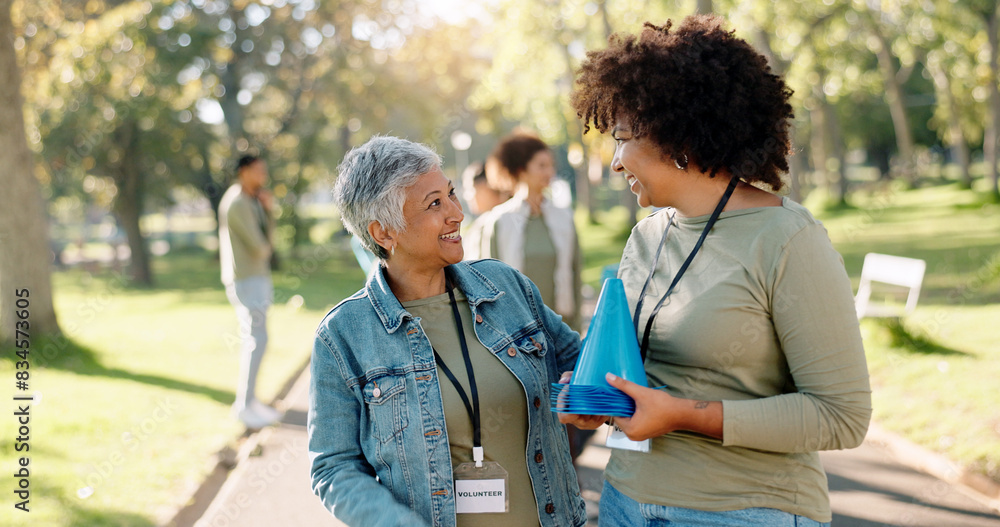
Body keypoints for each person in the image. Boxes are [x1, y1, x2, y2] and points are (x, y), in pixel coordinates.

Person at [559, 15, 872, 526]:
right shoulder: (646, 237)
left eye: (622, 138)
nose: (615, 162)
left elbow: (842, 416)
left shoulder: (789, 240)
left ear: (676, 136)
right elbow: (644, 373)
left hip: (745, 511)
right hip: (624, 503)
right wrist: (600, 394)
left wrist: (684, 415)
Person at [309, 136, 587, 527]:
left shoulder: (506, 287)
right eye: (434, 204)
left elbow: (578, 360)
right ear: (384, 233)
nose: (457, 213)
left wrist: (585, 393)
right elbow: (334, 468)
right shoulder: (343, 336)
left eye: (451, 194)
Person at [472, 132, 583, 331]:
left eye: (551, 165)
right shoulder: (499, 221)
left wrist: (577, 326)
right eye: (541, 166)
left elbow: (575, 273)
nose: (550, 171)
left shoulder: (564, 218)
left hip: (561, 328)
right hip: (516, 330)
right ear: (521, 170)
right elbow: (488, 282)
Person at [218, 154, 282, 429]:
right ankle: (244, 406)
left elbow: (267, 245)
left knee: (258, 339)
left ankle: (251, 401)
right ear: (243, 171)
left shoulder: (251, 201)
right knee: (257, 340)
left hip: (257, 276)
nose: (263, 175)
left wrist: (267, 211)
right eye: (258, 170)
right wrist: (269, 213)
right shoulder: (237, 203)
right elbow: (261, 248)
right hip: (247, 279)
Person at [460, 159, 511, 260]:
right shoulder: (481, 224)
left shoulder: (493, 222)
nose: (467, 196)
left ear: (487, 185)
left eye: (470, 188)